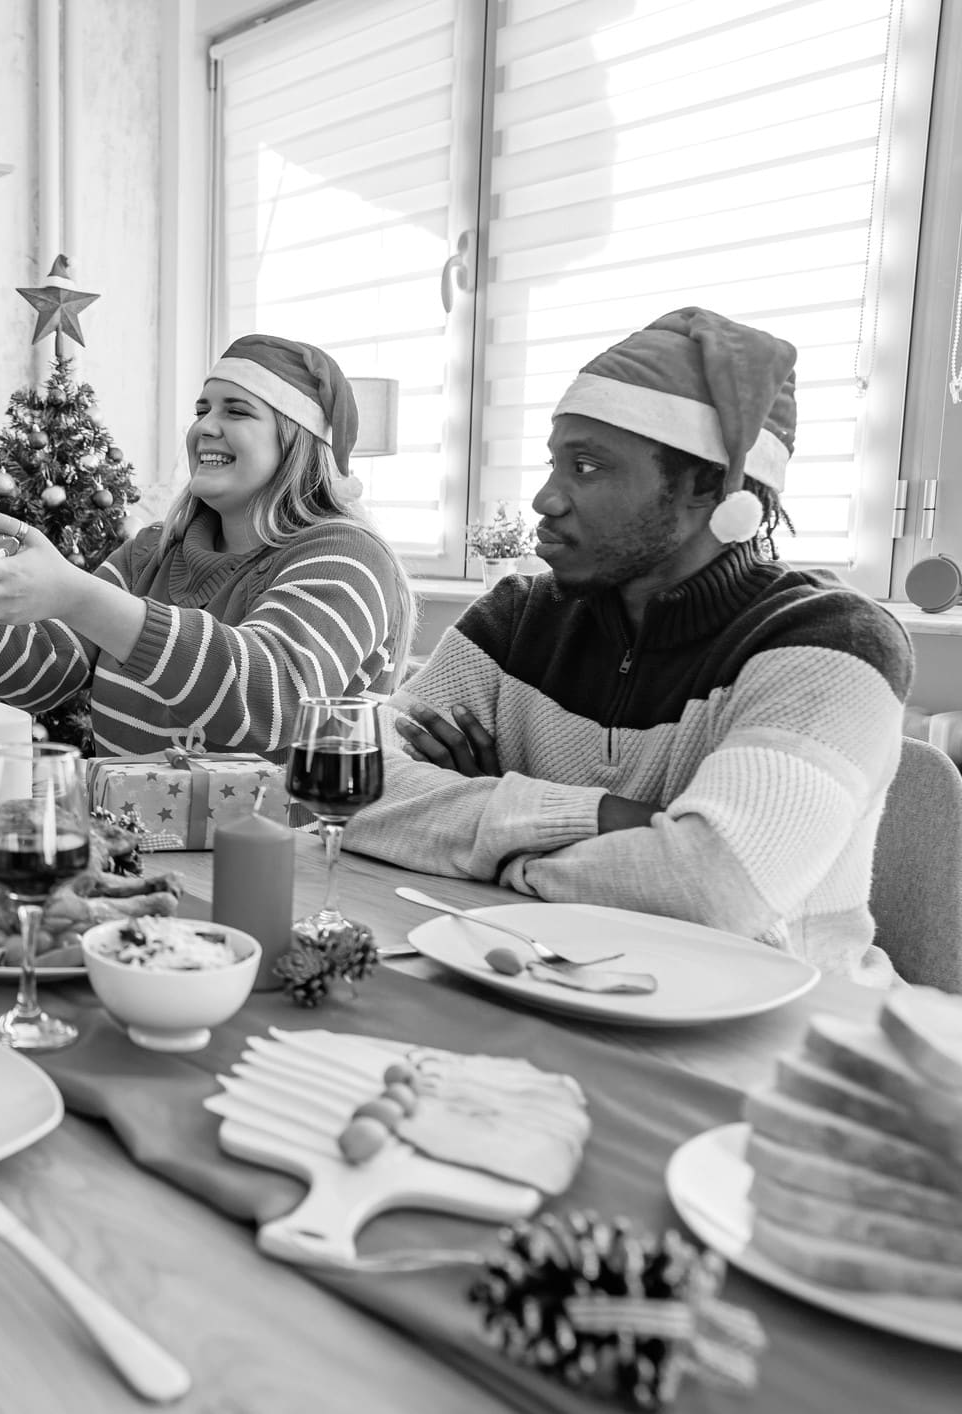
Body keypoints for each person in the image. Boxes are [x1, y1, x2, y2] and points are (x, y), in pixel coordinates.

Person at [343, 309, 911, 986]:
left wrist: (487, 822)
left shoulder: (833, 643)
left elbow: (714, 892)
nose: (545, 499)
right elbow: (350, 783)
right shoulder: (516, 617)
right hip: (536, 984)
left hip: (785, 1039)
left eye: (587, 467)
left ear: (708, 485)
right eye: (555, 463)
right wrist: (606, 817)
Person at [0, 334, 413, 758]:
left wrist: (77, 594)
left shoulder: (347, 556)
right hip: (134, 849)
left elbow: (272, 700)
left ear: (297, 442)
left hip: (290, 862)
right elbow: (45, 674)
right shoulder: (153, 551)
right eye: (202, 410)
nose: (203, 427)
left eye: (236, 411)